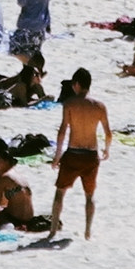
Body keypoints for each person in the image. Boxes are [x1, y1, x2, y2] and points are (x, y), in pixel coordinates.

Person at [52, 66, 108, 238]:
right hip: (91, 155)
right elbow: (108, 132)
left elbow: (62, 131)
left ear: (77, 84)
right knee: (89, 196)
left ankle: (53, 230)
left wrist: (57, 156)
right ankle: (88, 231)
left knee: (60, 192)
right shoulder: (99, 106)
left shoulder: (69, 104)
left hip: (73, 154)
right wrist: (107, 150)